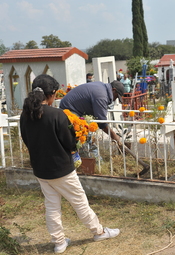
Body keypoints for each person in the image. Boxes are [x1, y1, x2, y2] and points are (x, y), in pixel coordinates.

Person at [20, 74, 120, 254]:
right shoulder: (57, 115)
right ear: (51, 94)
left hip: (41, 169)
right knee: (80, 202)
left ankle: (59, 242)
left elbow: (26, 139)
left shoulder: (26, 115)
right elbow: (70, 143)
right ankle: (98, 232)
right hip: (61, 169)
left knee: (52, 206)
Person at [60, 80, 124, 143]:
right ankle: (82, 152)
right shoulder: (101, 96)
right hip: (70, 110)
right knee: (81, 137)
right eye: (116, 96)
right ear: (113, 90)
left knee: (87, 138)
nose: (115, 99)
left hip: (73, 108)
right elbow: (101, 121)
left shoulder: (101, 87)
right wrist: (114, 136)